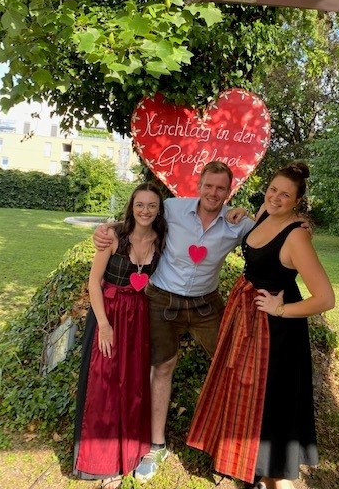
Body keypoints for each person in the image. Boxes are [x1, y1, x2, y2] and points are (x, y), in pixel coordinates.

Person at [92, 161, 256, 483]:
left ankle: (229, 445)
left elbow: (271, 235)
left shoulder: (238, 223)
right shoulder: (172, 208)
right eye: (208, 186)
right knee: (162, 368)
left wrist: (298, 224)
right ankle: (156, 446)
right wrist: (105, 228)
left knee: (231, 365)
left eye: (221, 188)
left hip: (206, 305)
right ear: (199, 185)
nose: (213, 193)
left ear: (229, 191)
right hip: (162, 301)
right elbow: (140, 216)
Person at [186, 162, 335, 489]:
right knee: (243, 389)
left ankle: (273, 473)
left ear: (297, 202)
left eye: (285, 195)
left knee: (269, 400)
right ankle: (249, 464)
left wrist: (280, 309)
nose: (276, 198)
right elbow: (262, 245)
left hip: (275, 331)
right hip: (247, 316)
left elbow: (326, 298)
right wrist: (246, 215)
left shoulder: (297, 236)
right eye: (272, 189)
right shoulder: (266, 213)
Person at [73, 182, 167, 489]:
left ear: (159, 210)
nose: (145, 210)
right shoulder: (113, 236)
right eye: (140, 204)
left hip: (139, 320)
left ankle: (130, 451)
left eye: (151, 205)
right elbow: (94, 282)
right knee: (106, 384)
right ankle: (101, 461)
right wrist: (104, 324)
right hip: (110, 316)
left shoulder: (161, 240)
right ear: (131, 206)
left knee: (134, 385)